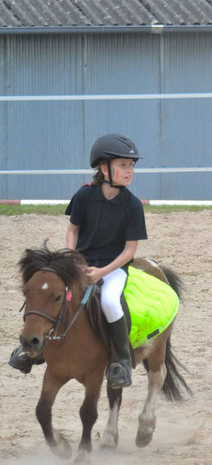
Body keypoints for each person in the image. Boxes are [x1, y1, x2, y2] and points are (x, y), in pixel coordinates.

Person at [9, 133, 147, 388]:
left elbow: (129, 251)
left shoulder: (133, 206)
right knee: (47, 289)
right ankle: (30, 350)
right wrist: (72, 259)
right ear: (103, 168)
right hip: (79, 262)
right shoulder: (84, 196)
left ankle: (120, 361)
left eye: (131, 166)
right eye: (123, 165)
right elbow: (73, 230)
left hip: (113, 268)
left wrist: (101, 272)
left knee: (110, 302)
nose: (130, 171)